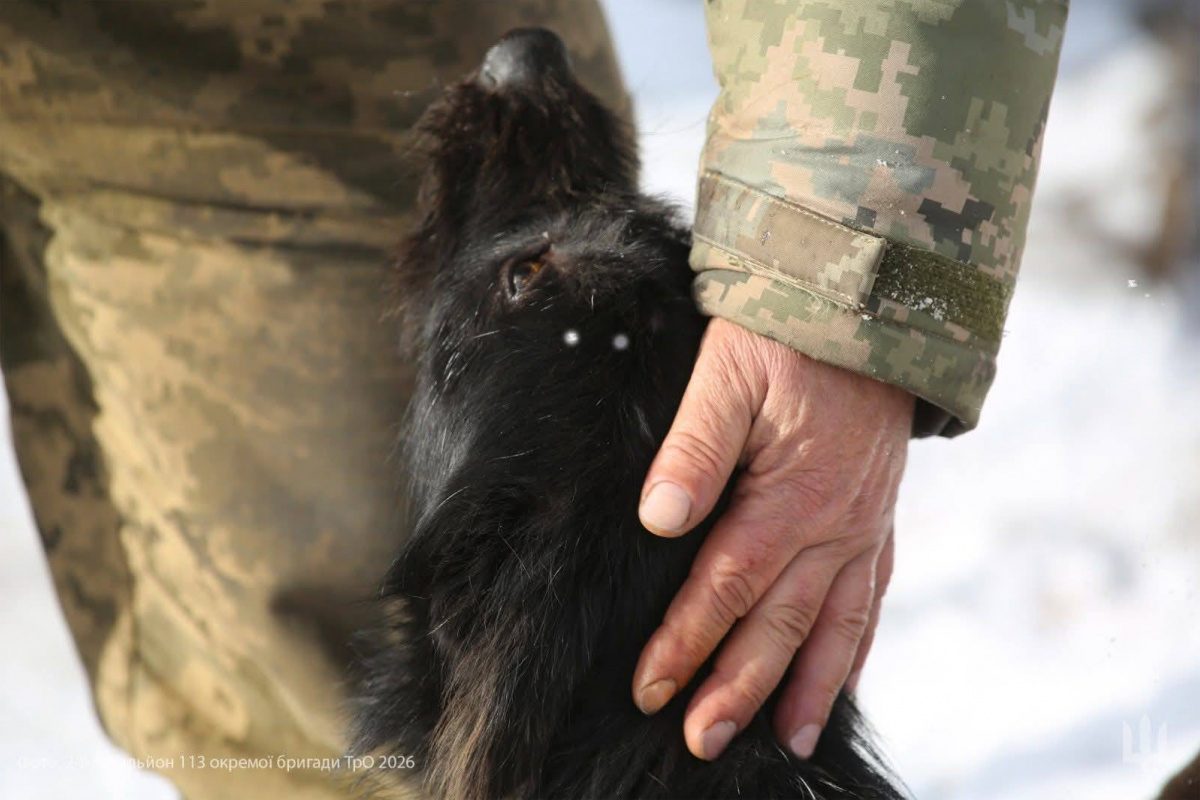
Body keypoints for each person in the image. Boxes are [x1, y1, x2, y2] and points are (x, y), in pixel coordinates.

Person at [0, 1, 1068, 797]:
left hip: (290, 68)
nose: (526, 65)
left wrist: (843, 288)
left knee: (280, 711)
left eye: (527, 282)